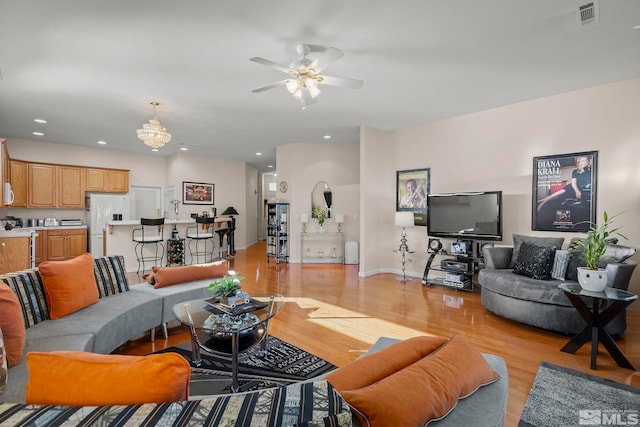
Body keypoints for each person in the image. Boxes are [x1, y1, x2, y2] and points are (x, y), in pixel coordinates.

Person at [536, 155, 592, 227]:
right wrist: (577, 191)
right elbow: (574, 183)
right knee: (569, 187)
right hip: (574, 189)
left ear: (589, 161)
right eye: (579, 161)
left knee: (567, 188)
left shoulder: (591, 171)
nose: (581, 163)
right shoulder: (575, 171)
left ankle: (542, 201)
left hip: (582, 190)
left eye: (583, 161)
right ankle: (543, 202)